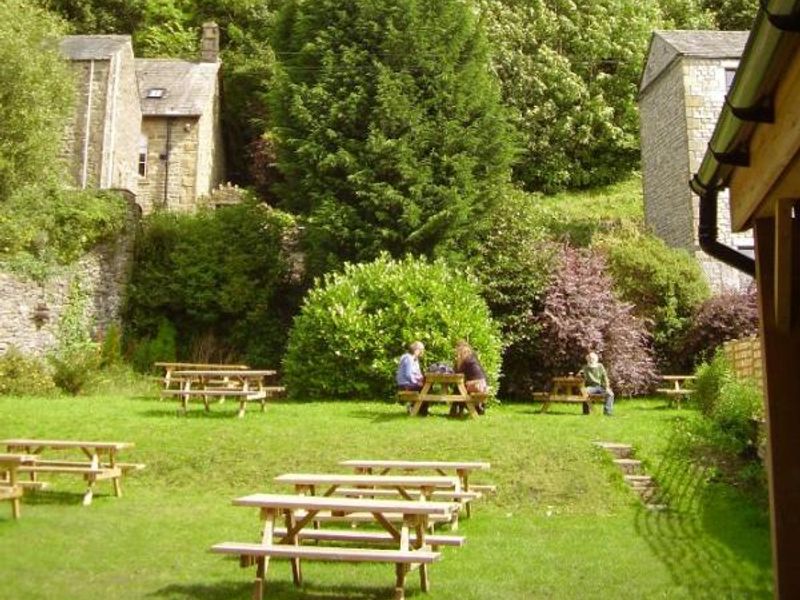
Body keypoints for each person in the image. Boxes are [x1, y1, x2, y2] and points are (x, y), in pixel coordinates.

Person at [453, 341, 488, 416]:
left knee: (459, 389)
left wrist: (458, 361)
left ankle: (457, 410)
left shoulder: (467, 361)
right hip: (482, 384)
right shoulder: (472, 358)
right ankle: (477, 408)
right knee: (460, 387)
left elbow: (458, 373)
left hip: (477, 385)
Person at [579, 351, 614, 416]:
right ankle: (586, 412)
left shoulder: (600, 366)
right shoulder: (585, 367)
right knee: (584, 392)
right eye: (590, 358)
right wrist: (580, 374)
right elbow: (579, 375)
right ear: (587, 359)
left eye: (592, 359)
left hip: (600, 386)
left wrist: (607, 387)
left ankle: (608, 412)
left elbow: (605, 377)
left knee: (610, 394)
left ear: (596, 359)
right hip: (590, 387)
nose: (591, 360)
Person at [396, 341, 426, 414]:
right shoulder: (408, 358)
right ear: (416, 350)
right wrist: (417, 382)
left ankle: (419, 409)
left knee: (426, 386)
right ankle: (421, 410)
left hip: (409, 383)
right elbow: (408, 374)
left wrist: (421, 378)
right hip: (405, 384)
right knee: (426, 389)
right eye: (421, 350)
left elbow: (418, 374)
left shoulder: (415, 359)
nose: (422, 352)